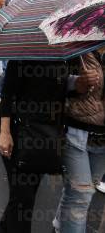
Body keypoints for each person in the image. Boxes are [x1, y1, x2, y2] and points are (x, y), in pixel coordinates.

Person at [0, 59, 98, 232]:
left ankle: (5, 227)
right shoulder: (24, 51)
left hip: (45, 136)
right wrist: (5, 133)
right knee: (23, 198)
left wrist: (80, 84)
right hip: (18, 132)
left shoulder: (64, 55)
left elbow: (61, 90)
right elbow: (8, 93)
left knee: (24, 195)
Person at [53, 48, 105, 233]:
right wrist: (76, 84)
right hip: (76, 133)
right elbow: (52, 83)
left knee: (80, 192)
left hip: (102, 141)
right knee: (81, 196)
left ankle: (60, 225)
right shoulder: (76, 47)